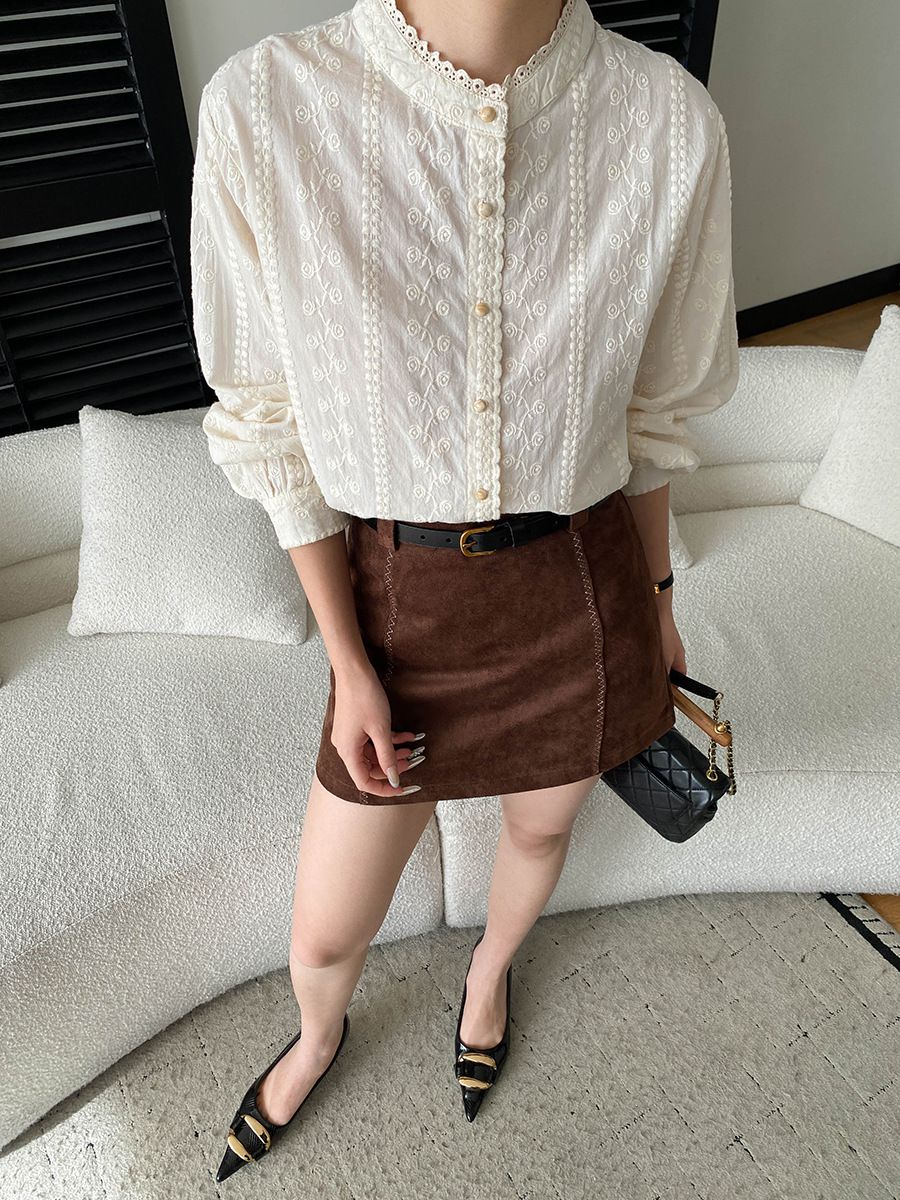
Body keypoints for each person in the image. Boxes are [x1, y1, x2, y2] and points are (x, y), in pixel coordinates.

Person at [189, 0, 739, 1181]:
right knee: (326, 924)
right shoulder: (269, 108)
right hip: (401, 606)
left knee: (542, 825)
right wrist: (349, 663)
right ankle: (317, 1035)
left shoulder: (667, 121)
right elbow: (268, 423)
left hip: (581, 589)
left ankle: (489, 977)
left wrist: (658, 604)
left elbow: (653, 420)